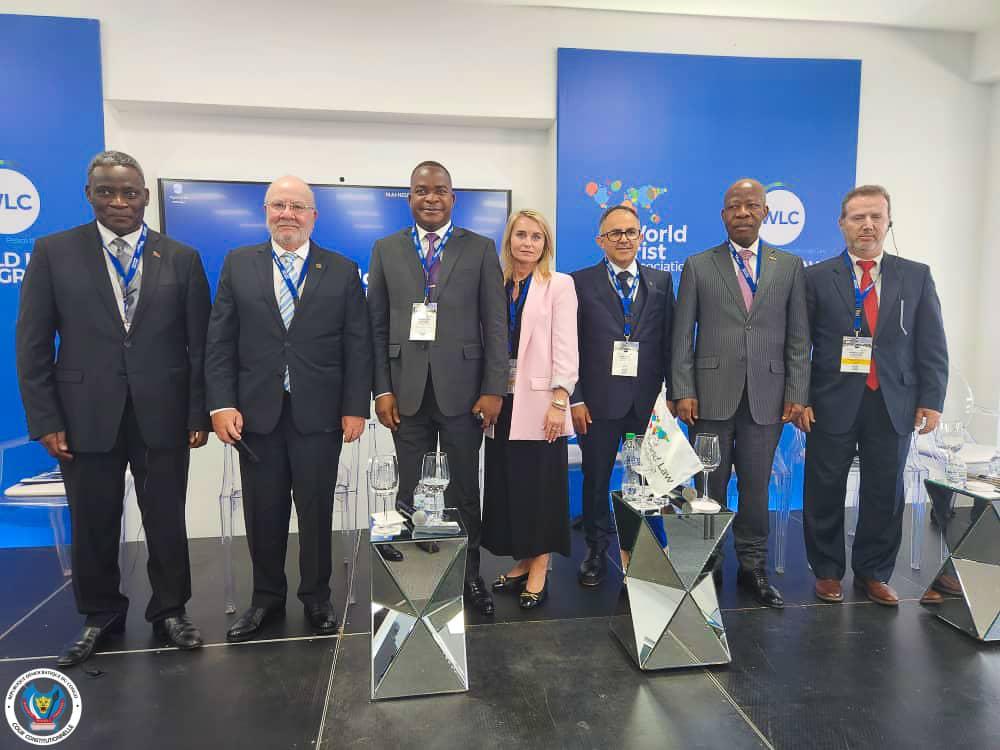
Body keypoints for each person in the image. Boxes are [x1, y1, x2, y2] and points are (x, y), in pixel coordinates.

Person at [15, 150, 211, 666]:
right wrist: (46, 419)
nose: (119, 201)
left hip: (163, 413)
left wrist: (198, 413)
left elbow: (200, 345)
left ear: (145, 196)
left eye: (129, 192)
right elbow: (32, 344)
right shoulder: (54, 252)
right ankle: (100, 615)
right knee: (93, 521)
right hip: (84, 415)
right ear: (89, 195)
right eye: (107, 191)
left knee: (166, 518)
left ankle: (170, 611)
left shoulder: (182, 257)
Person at [206, 175, 372, 641]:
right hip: (255, 415)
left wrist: (355, 407)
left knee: (316, 510)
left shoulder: (341, 269)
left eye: (297, 206)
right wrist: (221, 404)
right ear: (266, 212)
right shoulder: (239, 264)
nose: (287, 214)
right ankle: (266, 600)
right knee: (264, 512)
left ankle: (317, 597)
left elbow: (357, 344)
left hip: (320, 414)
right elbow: (219, 342)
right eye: (278, 205)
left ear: (313, 216)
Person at [367, 161, 507, 616]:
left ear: (453, 198)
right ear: (409, 197)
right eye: (421, 190)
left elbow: (496, 323)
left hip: (465, 392)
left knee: (464, 488)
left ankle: (469, 576)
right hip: (405, 391)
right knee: (411, 489)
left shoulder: (480, 248)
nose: (430, 198)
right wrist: (381, 390)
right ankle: (417, 577)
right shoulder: (386, 249)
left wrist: (494, 388)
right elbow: (375, 325)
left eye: (439, 190)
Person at [797, 184, 947, 606]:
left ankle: (874, 572)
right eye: (858, 217)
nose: (867, 225)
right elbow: (799, 345)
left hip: (893, 401)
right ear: (842, 224)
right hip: (830, 401)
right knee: (824, 488)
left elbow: (932, 343)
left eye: (875, 217)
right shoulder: (815, 278)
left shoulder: (915, 275)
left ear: (888, 222)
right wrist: (800, 398)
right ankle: (827, 571)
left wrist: (932, 399)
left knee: (885, 492)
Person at [672, 178, 810, 608]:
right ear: (723, 215)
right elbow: (682, 335)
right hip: (708, 396)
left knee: (755, 487)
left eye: (751, 205)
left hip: (767, 397)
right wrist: (682, 389)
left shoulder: (789, 266)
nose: (743, 213)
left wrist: (796, 391)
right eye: (734, 206)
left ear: (765, 212)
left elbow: (798, 336)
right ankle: (706, 562)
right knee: (706, 484)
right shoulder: (698, 265)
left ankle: (753, 566)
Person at [570, 204, 675, 588]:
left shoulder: (661, 281)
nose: (624, 239)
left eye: (630, 232)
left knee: (645, 479)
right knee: (596, 477)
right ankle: (597, 549)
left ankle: (642, 549)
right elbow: (569, 346)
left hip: (645, 402)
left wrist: (671, 396)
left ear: (641, 237)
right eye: (615, 233)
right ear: (601, 240)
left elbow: (670, 342)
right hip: (597, 403)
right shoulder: (579, 282)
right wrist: (576, 398)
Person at [482, 210, 578, 609]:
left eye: (536, 236)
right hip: (500, 402)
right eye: (521, 234)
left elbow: (566, 347)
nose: (528, 242)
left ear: (545, 244)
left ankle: (540, 566)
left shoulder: (558, 284)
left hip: (541, 404)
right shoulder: (497, 283)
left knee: (541, 487)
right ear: (509, 239)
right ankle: (523, 560)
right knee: (510, 486)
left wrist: (559, 401)